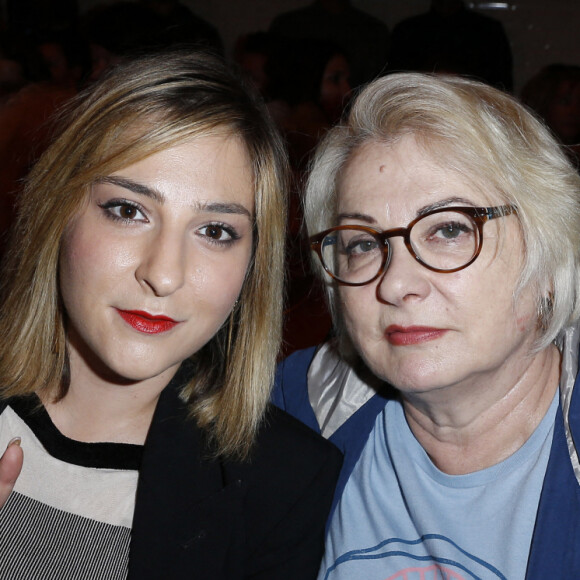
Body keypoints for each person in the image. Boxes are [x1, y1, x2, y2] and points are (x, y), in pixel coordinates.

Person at [0, 49, 342, 579]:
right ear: (56, 209)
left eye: (215, 231)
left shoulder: (284, 485)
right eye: (128, 210)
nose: (163, 274)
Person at [274, 72, 580, 578]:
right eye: (363, 243)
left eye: (448, 229)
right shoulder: (289, 412)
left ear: (549, 260)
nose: (395, 284)